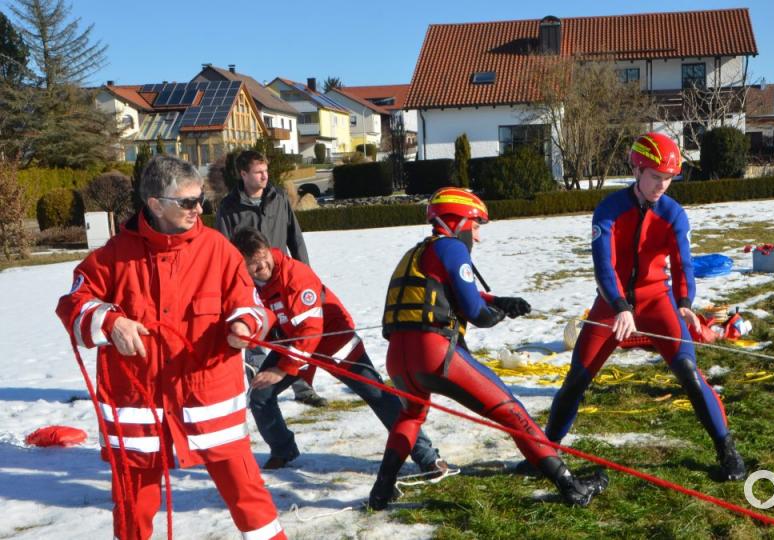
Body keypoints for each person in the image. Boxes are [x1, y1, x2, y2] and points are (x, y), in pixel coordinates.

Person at [55, 155, 285, 540]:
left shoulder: (218, 250)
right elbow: (73, 305)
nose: (199, 210)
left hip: (208, 401)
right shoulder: (112, 256)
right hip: (138, 407)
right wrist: (110, 322)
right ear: (155, 203)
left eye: (201, 201)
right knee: (133, 509)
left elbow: (253, 305)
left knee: (249, 497)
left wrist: (245, 324)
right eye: (188, 202)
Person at [367, 187, 609, 510]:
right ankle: (570, 485)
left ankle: (380, 493)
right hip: (436, 353)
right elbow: (473, 311)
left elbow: (444, 293)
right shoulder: (452, 248)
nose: (477, 237)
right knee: (510, 409)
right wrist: (495, 314)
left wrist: (499, 300)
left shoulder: (417, 253)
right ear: (459, 222)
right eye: (476, 225)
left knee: (410, 417)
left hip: (399, 359)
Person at [539, 133, 746, 482]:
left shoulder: (673, 214)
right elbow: (603, 265)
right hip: (611, 305)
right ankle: (544, 452)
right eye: (655, 177)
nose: (662, 185)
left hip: (658, 302)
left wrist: (684, 303)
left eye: (668, 179)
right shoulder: (609, 209)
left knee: (690, 375)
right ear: (636, 170)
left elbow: (683, 264)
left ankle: (727, 450)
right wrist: (620, 306)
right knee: (576, 379)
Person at [231, 227, 454, 476]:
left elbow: (311, 330)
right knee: (260, 395)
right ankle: (283, 450)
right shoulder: (245, 283)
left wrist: (281, 369)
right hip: (293, 344)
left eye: (263, 257)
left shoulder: (296, 274)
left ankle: (427, 457)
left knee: (378, 395)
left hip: (334, 343)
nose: (262, 266)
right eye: (252, 263)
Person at [216, 150, 327, 408]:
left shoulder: (278, 198)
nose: (265, 176)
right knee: (256, 336)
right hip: (249, 284)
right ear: (243, 174)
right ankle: (259, 391)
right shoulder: (228, 207)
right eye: (258, 172)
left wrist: (307, 274)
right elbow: (223, 251)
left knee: (292, 331)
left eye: (266, 170)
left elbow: (295, 237)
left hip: (282, 278)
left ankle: (302, 386)